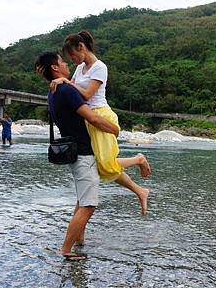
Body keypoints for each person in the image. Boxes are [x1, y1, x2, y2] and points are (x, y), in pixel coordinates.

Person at [51, 30, 151, 215]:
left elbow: (87, 93)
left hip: (101, 115)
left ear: (81, 47)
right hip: (87, 117)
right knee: (96, 166)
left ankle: (139, 159)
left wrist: (66, 81)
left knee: (104, 164)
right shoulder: (80, 68)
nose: (72, 59)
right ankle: (140, 191)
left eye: (73, 55)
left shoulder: (100, 67)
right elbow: (71, 91)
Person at [35, 52, 120, 260]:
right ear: (55, 67)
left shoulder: (54, 90)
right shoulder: (65, 90)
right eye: (62, 61)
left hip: (74, 151)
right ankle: (65, 249)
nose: (65, 64)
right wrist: (114, 129)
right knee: (88, 206)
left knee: (82, 200)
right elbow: (92, 118)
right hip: (82, 152)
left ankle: (79, 240)